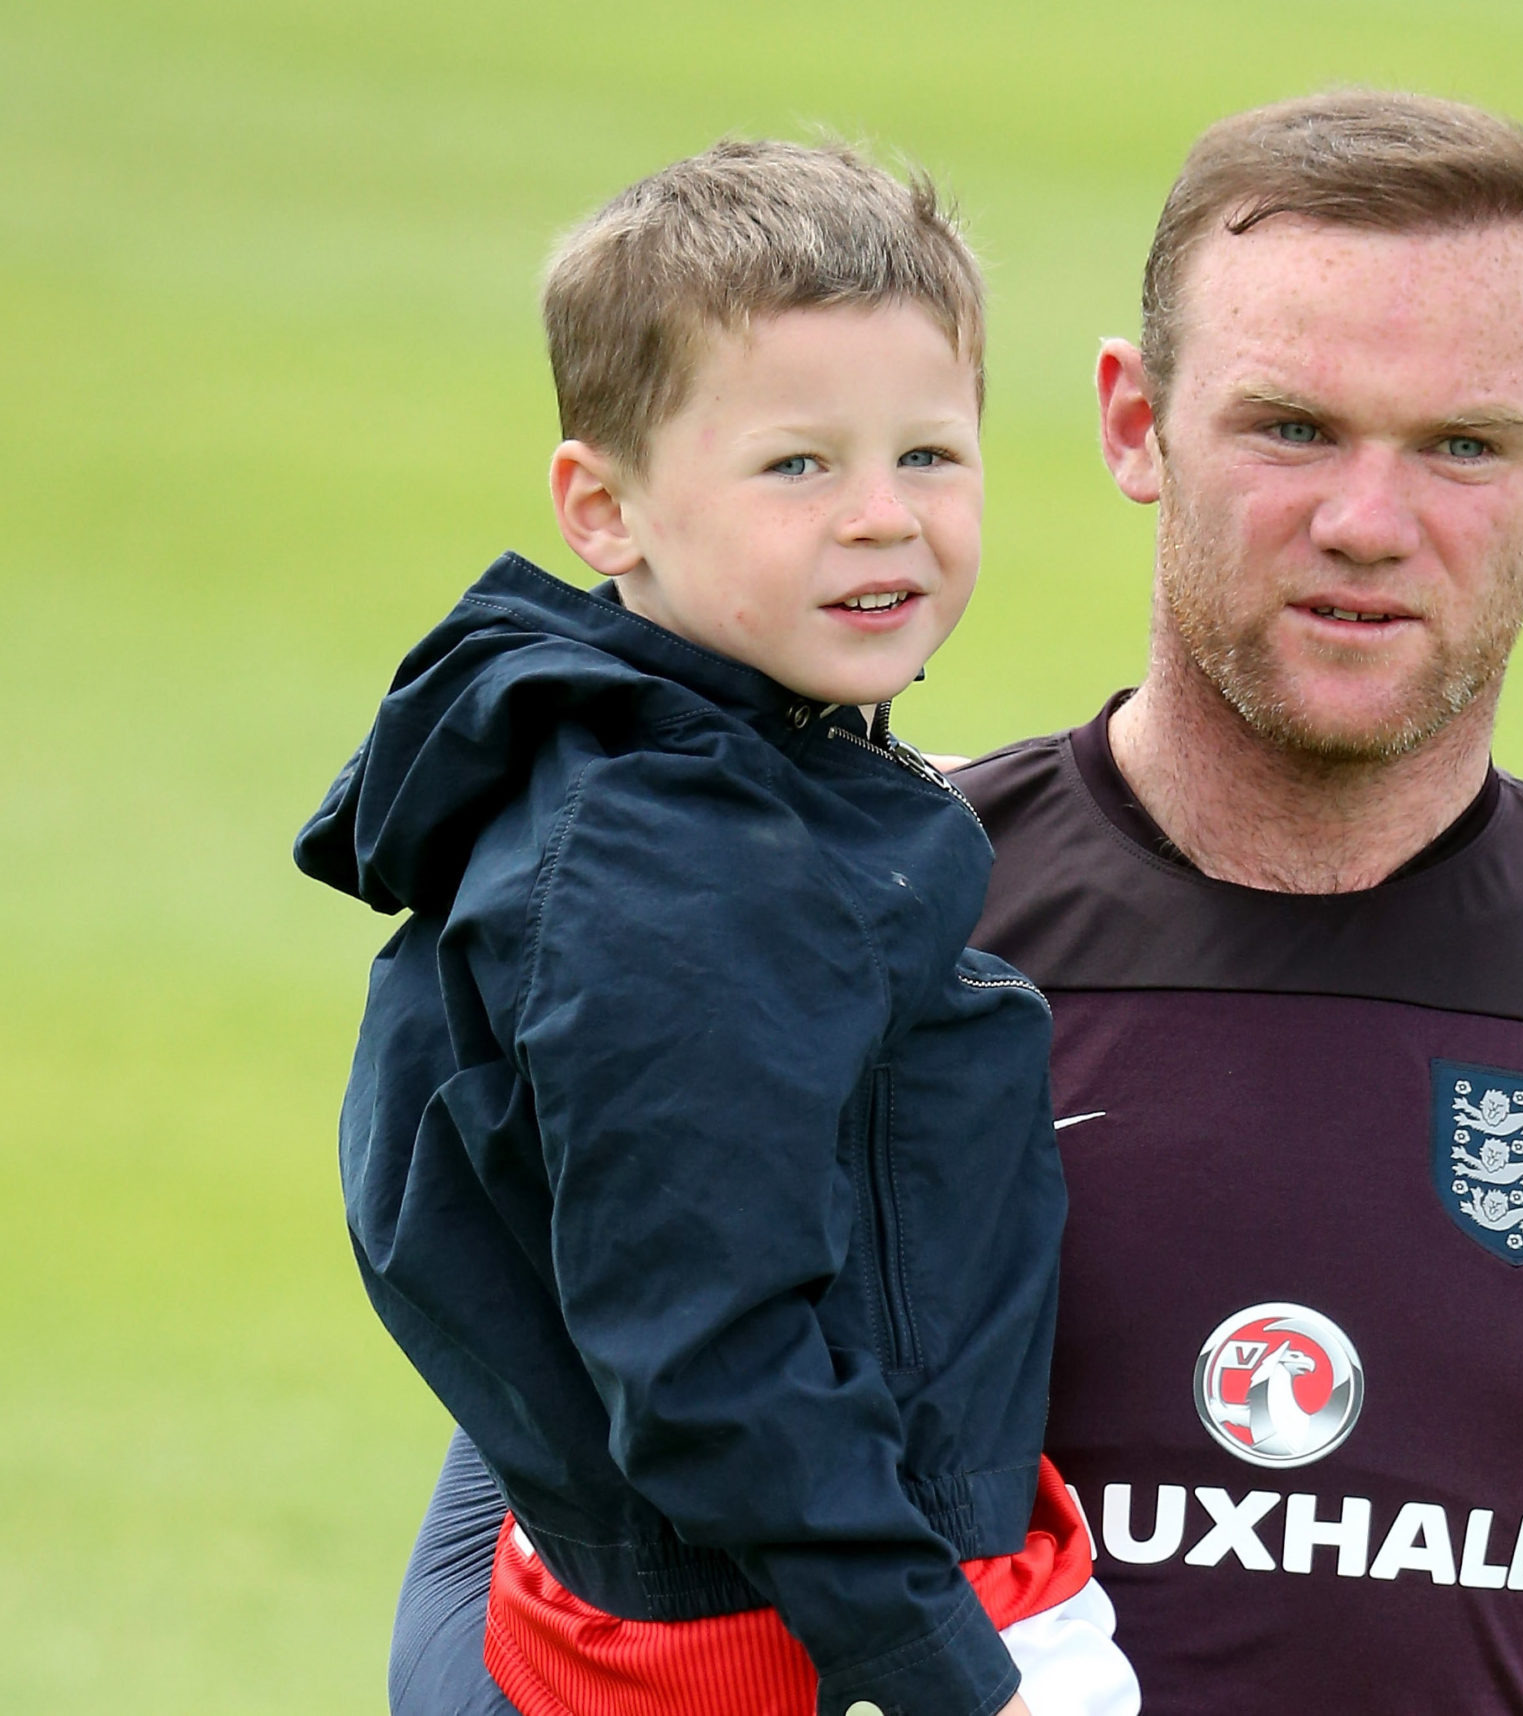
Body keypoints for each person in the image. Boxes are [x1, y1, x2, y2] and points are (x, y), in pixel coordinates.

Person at [396, 94, 1523, 1714]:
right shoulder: (826, 924)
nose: (1365, 523)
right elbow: (533, 1545)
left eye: (1466, 446)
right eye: (1291, 428)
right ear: (1134, 421)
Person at [297, 140, 1139, 1716]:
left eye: (932, 457)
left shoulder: (753, 769)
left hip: (853, 1574)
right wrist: (950, 1669)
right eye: (798, 467)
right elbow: (704, 1361)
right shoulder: (669, 873)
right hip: (777, 1633)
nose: (884, 520)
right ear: (604, 508)